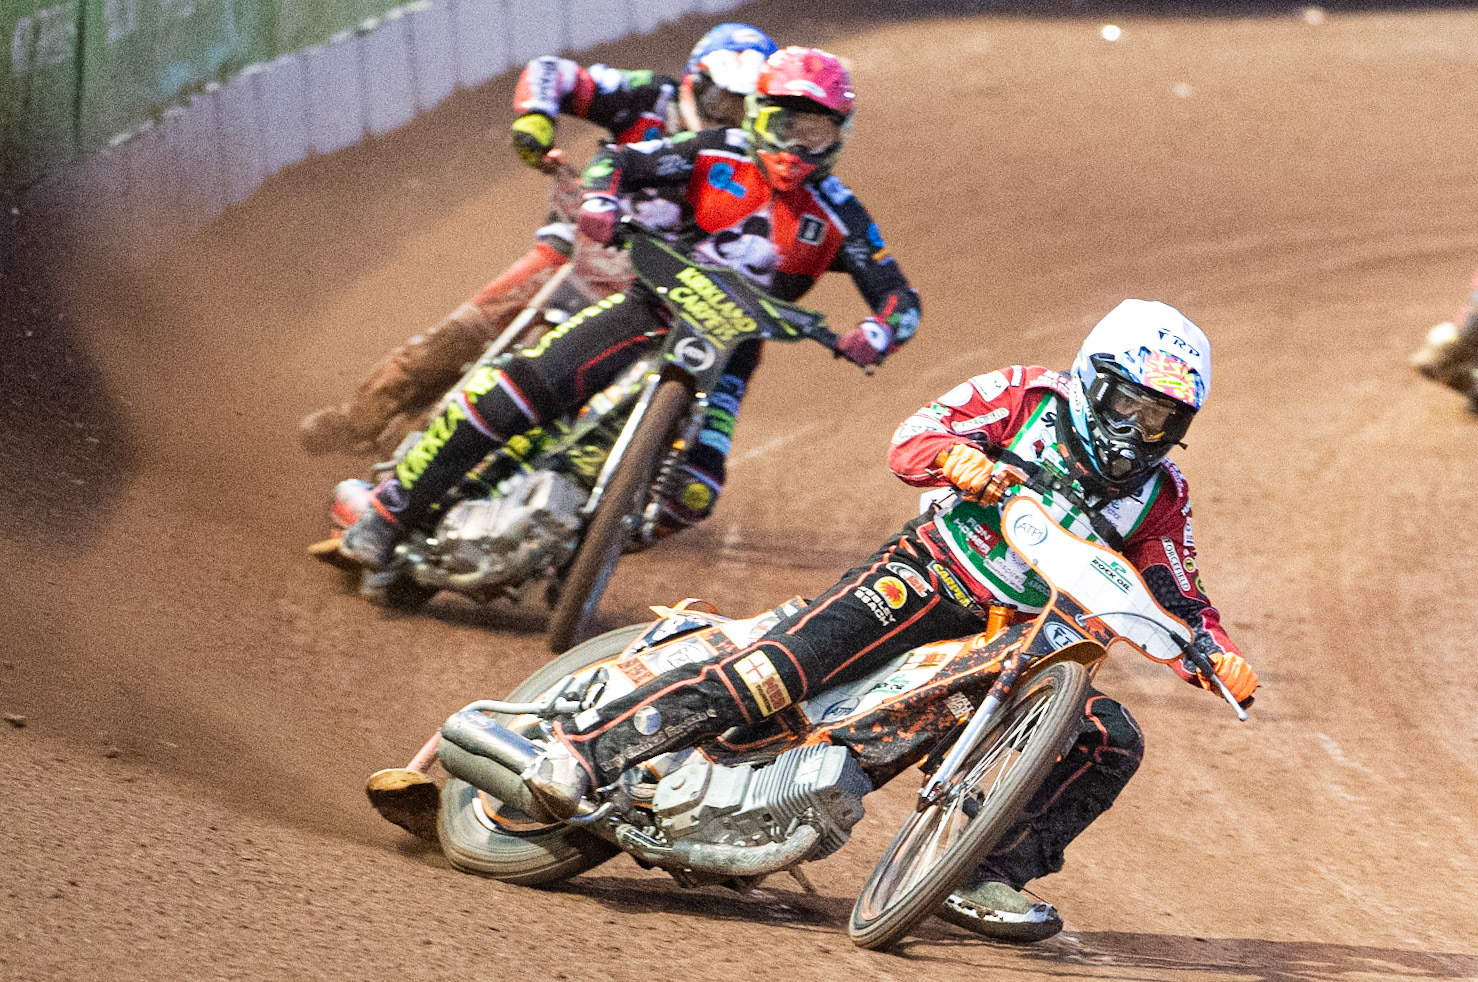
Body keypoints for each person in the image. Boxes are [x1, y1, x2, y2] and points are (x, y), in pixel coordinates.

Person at [517, 299, 1258, 942]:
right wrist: (958, 460)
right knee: (781, 669)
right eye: (1130, 403)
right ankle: (585, 751)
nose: (1140, 429)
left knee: (1109, 739)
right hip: (928, 575)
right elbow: (915, 436)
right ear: (1095, 379)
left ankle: (980, 873)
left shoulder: (1162, 492)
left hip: (1018, 637)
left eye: (1163, 417)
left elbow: (1177, 589)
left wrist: (1216, 653)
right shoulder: (1026, 395)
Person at [336, 46, 922, 564]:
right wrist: (602, 201)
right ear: (761, 118)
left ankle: (579, 549)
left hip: (732, 352)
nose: (798, 145)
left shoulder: (840, 213)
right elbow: (620, 162)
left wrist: (878, 331)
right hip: (650, 307)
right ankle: (390, 512)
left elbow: (901, 299)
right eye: (788, 124)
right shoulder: (717, 149)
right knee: (510, 392)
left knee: (695, 490)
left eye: (816, 133)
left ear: (838, 137)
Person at [298, 23, 780, 457]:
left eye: (743, 109)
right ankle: (360, 417)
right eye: (722, 101)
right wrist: (535, 117)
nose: (728, 118)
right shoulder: (650, 97)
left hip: (658, 289)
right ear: (695, 80)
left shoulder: (768, 163)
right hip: (578, 248)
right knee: (465, 331)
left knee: (584, 390)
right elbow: (553, 72)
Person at [1411, 264, 1478, 412]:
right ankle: (1474, 391)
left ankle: (1474, 391)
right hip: (1468, 332)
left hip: (1468, 331)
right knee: (1431, 359)